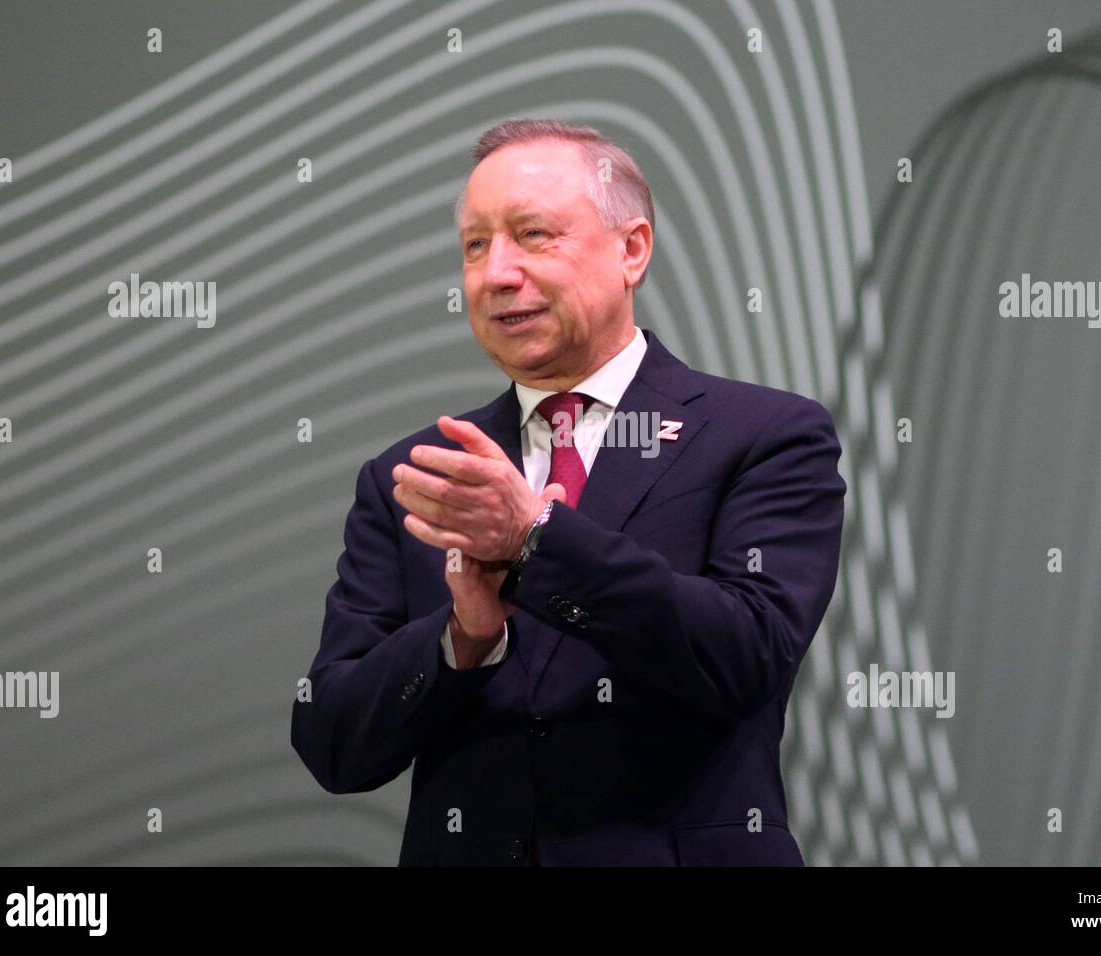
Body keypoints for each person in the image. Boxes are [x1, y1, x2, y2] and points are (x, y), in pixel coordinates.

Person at [291, 118, 846, 866]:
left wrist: (537, 541)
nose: (495, 274)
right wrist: (463, 640)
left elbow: (746, 654)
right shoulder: (421, 479)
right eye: (475, 245)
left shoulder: (765, 435)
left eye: (533, 235)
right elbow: (332, 742)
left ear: (632, 250)